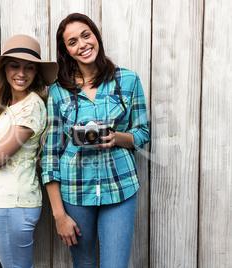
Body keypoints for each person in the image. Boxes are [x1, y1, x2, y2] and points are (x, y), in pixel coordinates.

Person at [41, 13, 150, 268]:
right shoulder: (58, 91)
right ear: (66, 51)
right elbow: (50, 155)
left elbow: (143, 133)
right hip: (75, 191)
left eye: (86, 35)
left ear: (96, 36)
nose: (82, 45)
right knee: (85, 264)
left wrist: (116, 137)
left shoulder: (128, 80)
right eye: (72, 42)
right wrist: (58, 214)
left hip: (120, 187)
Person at [0, 34, 58, 268]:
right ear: (4, 69)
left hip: (16, 205)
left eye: (29, 68)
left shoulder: (33, 106)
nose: (21, 73)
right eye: (14, 66)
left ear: (36, 72)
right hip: (1, 205)